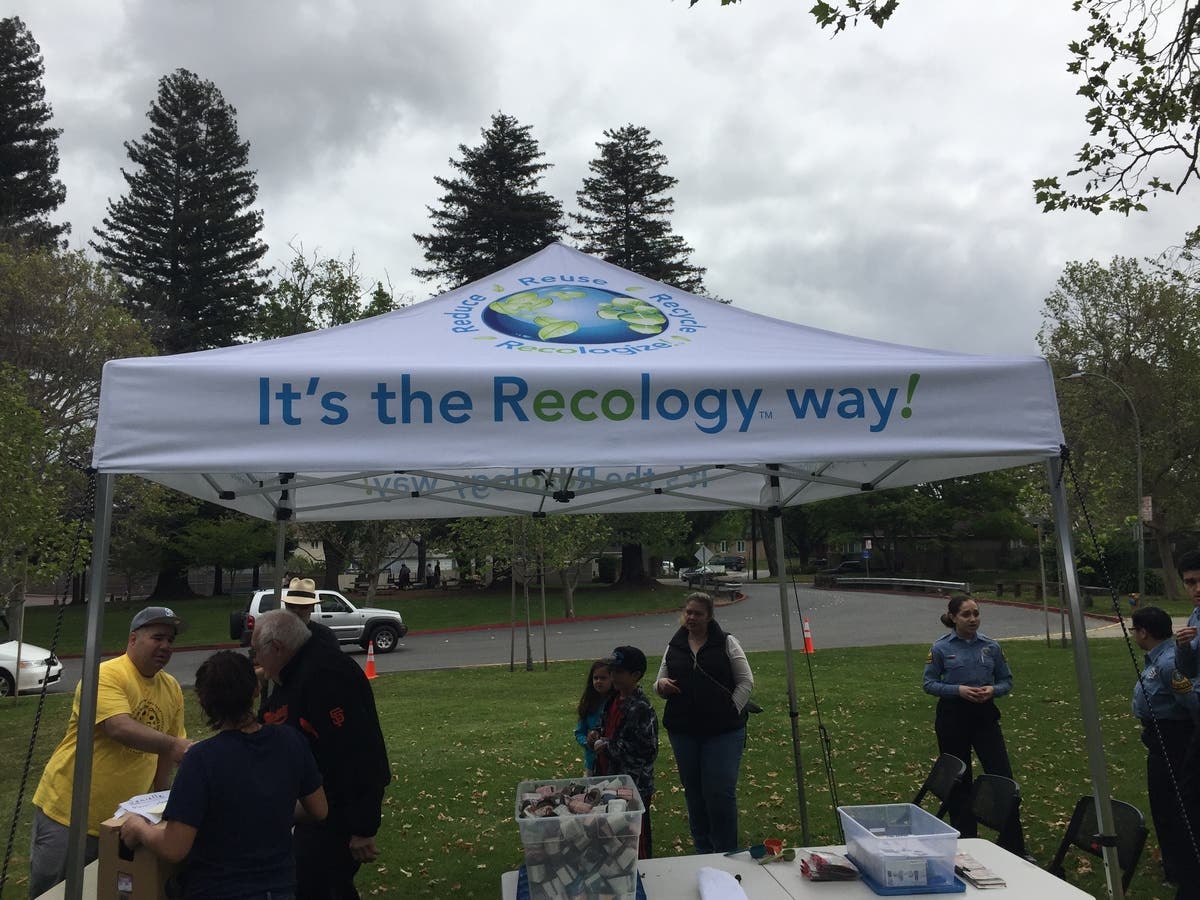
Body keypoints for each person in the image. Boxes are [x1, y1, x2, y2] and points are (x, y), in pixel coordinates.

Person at [119, 650, 328, 899]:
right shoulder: (291, 740)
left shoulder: (201, 760)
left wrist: (139, 829)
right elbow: (319, 810)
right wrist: (265, 809)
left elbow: (174, 847)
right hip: (279, 889)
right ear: (256, 690)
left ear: (203, 701)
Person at [29, 607, 191, 899]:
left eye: (170, 640)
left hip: (123, 821)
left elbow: (167, 751)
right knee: (55, 892)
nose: (166, 646)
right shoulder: (105, 675)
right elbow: (118, 726)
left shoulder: (171, 688)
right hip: (70, 814)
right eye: (158, 637)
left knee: (106, 890)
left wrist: (161, 802)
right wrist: (172, 745)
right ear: (133, 639)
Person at [255, 609, 390, 900]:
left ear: (277, 648)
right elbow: (274, 717)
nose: (257, 661)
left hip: (336, 810)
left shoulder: (327, 676)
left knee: (320, 884)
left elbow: (360, 752)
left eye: (257, 652)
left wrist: (363, 827)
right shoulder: (292, 672)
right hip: (311, 806)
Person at [922, 597, 1027, 858]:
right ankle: (966, 844)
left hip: (984, 716)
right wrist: (958, 690)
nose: (972, 619)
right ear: (953, 617)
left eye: (976, 614)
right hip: (953, 717)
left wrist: (993, 690)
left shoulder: (991, 647)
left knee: (1002, 778)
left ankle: (1014, 846)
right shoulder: (941, 648)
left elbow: (1006, 681)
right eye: (966, 614)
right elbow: (929, 683)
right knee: (959, 781)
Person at [653, 591, 754, 854]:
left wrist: (731, 710)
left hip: (723, 732)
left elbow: (746, 681)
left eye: (698, 613)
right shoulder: (675, 645)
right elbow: (659, 682)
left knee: (719, 792)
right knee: (694, 792)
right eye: (688, 612)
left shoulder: (726, 642)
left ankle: (726, 850)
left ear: (709, 616)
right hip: (684, 731)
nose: (691, 617)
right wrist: (662, 685)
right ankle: (703, 850)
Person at [1132, 605, 1200, 890]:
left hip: (1173, 741)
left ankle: (1179, 870)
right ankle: (1174, 862)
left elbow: (1191, 702)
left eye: (1134, 630)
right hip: (1158, 740)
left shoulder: (1168, 663)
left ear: (1143, 632)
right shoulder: (1157, 658)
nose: (1133, 634)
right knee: (1163, 804)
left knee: (1170, 806)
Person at [592, 645, 658, 859]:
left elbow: (646, 750)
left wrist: (608, 746)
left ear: (635, 675)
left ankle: (640, 869)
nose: (613, 676)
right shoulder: (613, 700)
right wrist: (597, 734)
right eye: (612, 671)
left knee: (633, 834)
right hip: (609, 779)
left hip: (633, 785)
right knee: (610, 832)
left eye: (619, 672)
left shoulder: (641, 708)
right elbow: (607, 728)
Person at [574, 659, 613, 776]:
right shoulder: (588, 703)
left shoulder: (616, 702)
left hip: (612, 763)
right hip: (592, 763)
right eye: (595, 678)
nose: (598, 681)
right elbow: (579, 732)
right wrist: (587, 742)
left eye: (603, 678)